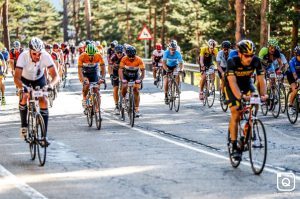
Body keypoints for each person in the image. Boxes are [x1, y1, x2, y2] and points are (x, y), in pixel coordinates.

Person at [225, 39, 267, 160]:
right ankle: (234, 145)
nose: (249, 58)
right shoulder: (232, 61)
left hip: (247, 83)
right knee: (236, 112)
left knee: (255, 100)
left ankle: (249, 124)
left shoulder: (256, 61)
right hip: (232, 86)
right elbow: (232, 83)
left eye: (251, 55)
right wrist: (241, 97)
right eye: (246, 55)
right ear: (240, 54)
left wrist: (264, 95)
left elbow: (261, 80)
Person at [14, 37, 59, 141]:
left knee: (44, 99)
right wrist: (23, 87)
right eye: (34, 54)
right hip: (24, 79)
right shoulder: (23, 56)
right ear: (30, 51)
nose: (37, 56)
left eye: (39, 54)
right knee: (25, 96)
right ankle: (24, 126)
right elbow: (16, 78)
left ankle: (44, 136)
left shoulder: (46, 56)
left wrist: (50, 85)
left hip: (39, 79)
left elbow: (56, 76)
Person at [119, 46, 145, 117]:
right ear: (127, 55)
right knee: (124, 86)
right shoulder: (124, 59)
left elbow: (143, 72)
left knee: (136, 90)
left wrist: (140, 79)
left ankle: (136, 109)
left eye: (132, 56)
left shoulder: (139, 60)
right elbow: (120, 70)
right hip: (126, 76)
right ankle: (124, 99)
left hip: (135, 76)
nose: (131, 58)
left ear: (135, 54)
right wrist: (122, 79)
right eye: (129, 56)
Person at [78, 44, 106, 110]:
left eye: (92, 55)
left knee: (96, 90)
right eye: (89, 55)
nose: (91, 57)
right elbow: (79, 71)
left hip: (94, 73)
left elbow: (103, 68)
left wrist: (103, 78)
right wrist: (83, 80)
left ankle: (97, 110)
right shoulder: (82, 56)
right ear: (86, 53)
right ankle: (85, 99)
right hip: (85, 73)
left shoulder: (98, 55)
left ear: (95, 53)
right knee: (86, 84)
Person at [162, 40, 184, 104]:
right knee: (166, 80)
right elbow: (163, 63)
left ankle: (177, 89)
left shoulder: (178, 53)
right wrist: (166, 70)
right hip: (167, 66)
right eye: (171, 49)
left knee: (177, 75)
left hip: (175, 66)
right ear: (169, 48)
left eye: (174, 49)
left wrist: (181, 69)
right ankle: (166, 95)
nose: (173, 50)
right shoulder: (166, 53)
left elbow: (181, 63)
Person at [109, 45, 126, 114]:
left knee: (125, 86)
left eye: (120, 52)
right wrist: (111, 75)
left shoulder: (125, 56)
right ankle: (116, 106)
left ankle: (126, 99)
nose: (119, 54)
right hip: (115, 72)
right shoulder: (113, 57)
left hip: (124, 72)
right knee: (115, 88)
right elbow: (110, 67)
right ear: (115, 52)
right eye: (118, 52)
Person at [286, 46, 300, 111]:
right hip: (291, 75)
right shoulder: (292, 61)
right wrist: (297, 79)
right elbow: (294, 73)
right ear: (296, 55)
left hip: (298, 74)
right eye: (299, 56)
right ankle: (290, 105)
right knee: (295, 90)